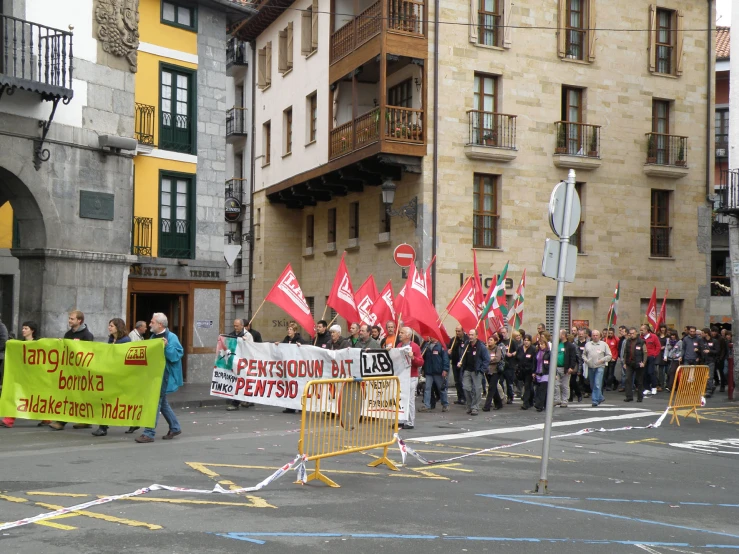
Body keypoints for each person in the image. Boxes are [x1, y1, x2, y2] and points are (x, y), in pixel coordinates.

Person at [135, 313, 183, 443]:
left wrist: (167, 346)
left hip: (164, 376)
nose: (149, 324)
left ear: (160, 324)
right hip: (155, 375)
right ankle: (175, 427)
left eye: (152, 322)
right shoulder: (152, 337)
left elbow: (176, 355)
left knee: (155, 402)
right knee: (163, 403)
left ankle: (149, 433)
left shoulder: (171, 337)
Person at [50, 311, 95, 431]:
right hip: (70, 371)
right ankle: (72, 420)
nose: (69, 320)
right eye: (69, 318)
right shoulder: (68, 334)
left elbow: (89, 353)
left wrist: (77, 347)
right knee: (69, 396)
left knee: (78, 397)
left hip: (81, 372)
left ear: (79, 320)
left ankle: (65, 422)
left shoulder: (87, 335)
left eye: (72, 319)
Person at [1, 322, 47, 429]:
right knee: (17, 395)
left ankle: (46, 418)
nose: (23, 330)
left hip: (35, 375)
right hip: (23, 375)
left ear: (32, 330)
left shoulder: (39, 343)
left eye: (26, 328)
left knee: (38, 397)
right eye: (23, 328)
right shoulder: (20, 344)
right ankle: (9, 420)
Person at [92, 319, 132, 437]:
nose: (109, 328)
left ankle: (133, 422)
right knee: (105, 400)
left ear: (118, 327)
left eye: (111, 326)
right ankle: (103, 426)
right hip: (111, 374)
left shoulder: (125, 340)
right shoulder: (111, 339)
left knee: (121, 401)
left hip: (120, 375)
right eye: (109, 325)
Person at [459, 329, 490, 416]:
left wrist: (482, 370)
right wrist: (460, 362)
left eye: (472, 335)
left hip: (476, 371)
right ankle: (469, 406)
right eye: (469, 334)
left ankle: (475, 407)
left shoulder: (481, 346)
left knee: (477, 389)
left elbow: (487, 359)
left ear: (476, 336)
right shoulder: (466, 345)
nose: (470, 336)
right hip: (467, 370)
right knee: (466, 387)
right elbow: (462, 356)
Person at [398, 326, 424, 429]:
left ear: (408, 335)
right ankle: (401, 419)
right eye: (400, 332)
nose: (400, 334)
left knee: (409, 399)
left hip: (411, 376)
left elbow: (421, 362)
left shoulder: (415, 347)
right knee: (401, 399)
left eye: (402, 333)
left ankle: (410, 421)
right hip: (402, 376)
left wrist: (413, 357)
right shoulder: (399, 345)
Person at [226, 319, 255, 411]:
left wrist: (246, 342)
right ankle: (243, 400)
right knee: (237, 382)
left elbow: (252, 348)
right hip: (234, 362)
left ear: (242, 326)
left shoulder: (247, 335)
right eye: (234, 326)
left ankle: (236, 403)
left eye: (237, 326)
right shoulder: (231, 335)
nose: (235, 327)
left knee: (241, 381)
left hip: (243, 363)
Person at [419, 336, 449, 413]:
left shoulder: (441, 346)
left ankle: (445, 404)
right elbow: (422, 355)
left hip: (438, 371)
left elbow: (445, 358)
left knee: (441, 388)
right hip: (429, 371)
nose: (430, 337)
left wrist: (445, 369)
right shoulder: (427, 345)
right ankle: (427, 405)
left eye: (432, 336)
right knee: (427, 388)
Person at [583, 330, 612, 407]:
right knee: (592, 384)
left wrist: (602, 360)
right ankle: (600, 397)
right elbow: (583, 355)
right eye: (593, 335)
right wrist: (586, 360)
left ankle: (595, 400)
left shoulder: (604, 344)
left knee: (597, 383)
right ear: (591, 336)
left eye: (596, 335)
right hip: (590, 366)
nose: (595, 337)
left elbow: (609, 356)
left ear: (600, 336)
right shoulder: (587, 344)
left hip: (600, 367)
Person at [553, 330, 577, 408]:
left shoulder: (570, 346)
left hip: (565, 368)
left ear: (563, 335)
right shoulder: (557, 344)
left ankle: (564, 401)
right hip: (556, 367)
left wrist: (571, 367)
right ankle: (557, 399)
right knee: (555, 384)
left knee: (565, 385)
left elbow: (573, 357)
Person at [623, 327, 647, 402]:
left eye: (633, 333)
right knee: (628, 379)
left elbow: (645, 353)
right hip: (629, 363)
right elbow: (625, 353)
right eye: (630, 334)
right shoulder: (628, 341)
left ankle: (640, 397)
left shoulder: (641, 341)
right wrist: (624, 362)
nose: (632, 335)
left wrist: (643, 362)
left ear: (636, 333)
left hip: (639, 363)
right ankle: (629, 396)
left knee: (639, 381)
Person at [482, 334, 505, 411]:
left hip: (495, 371)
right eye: (489, 340)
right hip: (487, 371)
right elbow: (482, 357)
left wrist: (488, 360)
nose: (489, 341)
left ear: (495, 341)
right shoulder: (485, 349)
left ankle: (487, 406)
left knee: (491, 388)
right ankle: (499, 404)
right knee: (494, 388)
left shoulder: (497, 348)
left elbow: (497, 358)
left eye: (491, 340)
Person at [448, 326, 468, 405]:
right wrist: (449, 352)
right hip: (455, 362)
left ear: (463, 331)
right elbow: (450, 353)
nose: (457, 333)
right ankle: (459, 397)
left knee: (462, 380)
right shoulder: (453, 340)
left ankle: (464, 397)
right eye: (456, 331)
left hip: (463, 363)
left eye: (459, 331)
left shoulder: (466, 339)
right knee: (457, 381)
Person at [516, 335, 537, 410]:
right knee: (529, 386)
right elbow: (517, 358)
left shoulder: (533, 349)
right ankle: (531, 400)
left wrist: (534, 371)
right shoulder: (520, 348)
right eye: (525, 340)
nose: (526, 342)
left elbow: (535, 361)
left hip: (529, 371)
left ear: (530, 341)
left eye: (527, 340)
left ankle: (525, 403)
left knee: (527, 386)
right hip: (521, 371)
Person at [640, 324, 661, 396]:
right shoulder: (641, 337)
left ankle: (654, 386)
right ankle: (647, 388)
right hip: (644, 357)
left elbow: (658, 346)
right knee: (644, 373)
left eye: (642, 330)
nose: (641, 331)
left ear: (646, 330)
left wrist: (654, 355)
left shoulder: (653, 336)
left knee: (651, 372)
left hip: (651, 356)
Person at [534, 334, 552, 412]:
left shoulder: (549, 353)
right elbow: (535, 362)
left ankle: (539, 405)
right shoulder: (538, 352)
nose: (541, 346)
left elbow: (552, 363)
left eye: (542, 344)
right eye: (540, 344)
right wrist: (534, 372)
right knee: (538, 390)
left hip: (546, 373)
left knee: (542, 389)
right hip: (538, 372)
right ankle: (544, 404)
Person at [701, 327, 719, 398]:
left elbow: (717, 351)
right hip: (703, 360)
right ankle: (711, 387)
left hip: (711, 361)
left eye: (702, 333)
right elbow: (700, 349)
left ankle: (709, 391)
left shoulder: (714, 341)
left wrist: (710, 351)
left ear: (706, 333)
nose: (701, 334)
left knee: (710, 376)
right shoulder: (701, 341)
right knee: (704, 377)